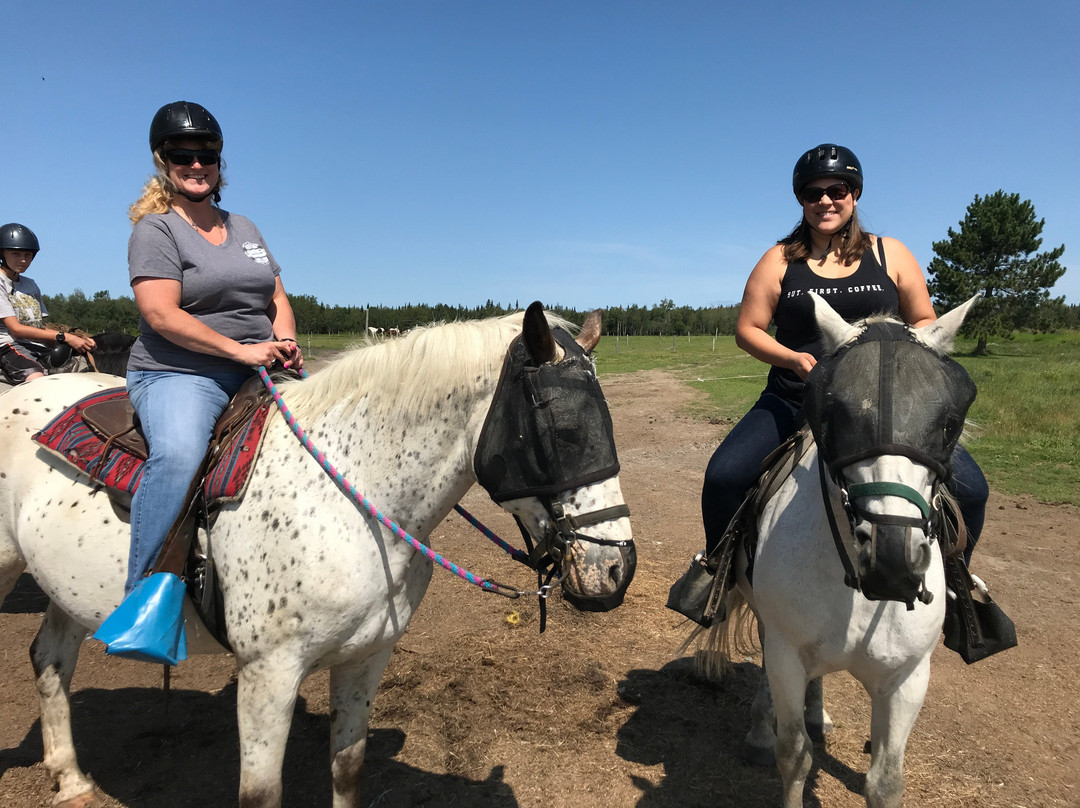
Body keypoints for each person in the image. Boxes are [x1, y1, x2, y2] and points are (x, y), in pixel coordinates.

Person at [676, 144, 988, 624]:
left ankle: (958, 587)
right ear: (801, 201)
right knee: (724, 475)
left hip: (884, 405)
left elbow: (924, 320)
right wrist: (794, 359)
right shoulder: (779, 260)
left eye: (836, 190)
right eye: (812, 193)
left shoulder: (891, 253)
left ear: (855, 194)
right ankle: (716, 574)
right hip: (795, 397)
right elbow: (748, 329)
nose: (825, 201)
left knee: (972, 490)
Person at [117, 100, 304, 601]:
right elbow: (161, 314)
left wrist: (283, 341)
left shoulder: (245, 227)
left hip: (258, 367)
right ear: (163, 160)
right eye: (183, 153)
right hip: (179, 372)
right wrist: (240, 352)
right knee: (179, 455)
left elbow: (276, 297)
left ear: (220, 163)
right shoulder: (155, 229)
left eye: (207, 155)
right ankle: (146, 595)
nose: (196, 164)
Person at [0, 223, 96, 384]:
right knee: (37, 379)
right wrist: (64, 336)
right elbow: (16, 329)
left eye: (28, 255)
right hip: (6, 346)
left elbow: (38, 327)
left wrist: (79, 339)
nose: (23, 260)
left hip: (33, 344)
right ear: (2, 253)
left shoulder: (30, 285)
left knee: (81, 365)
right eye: (15, 254)